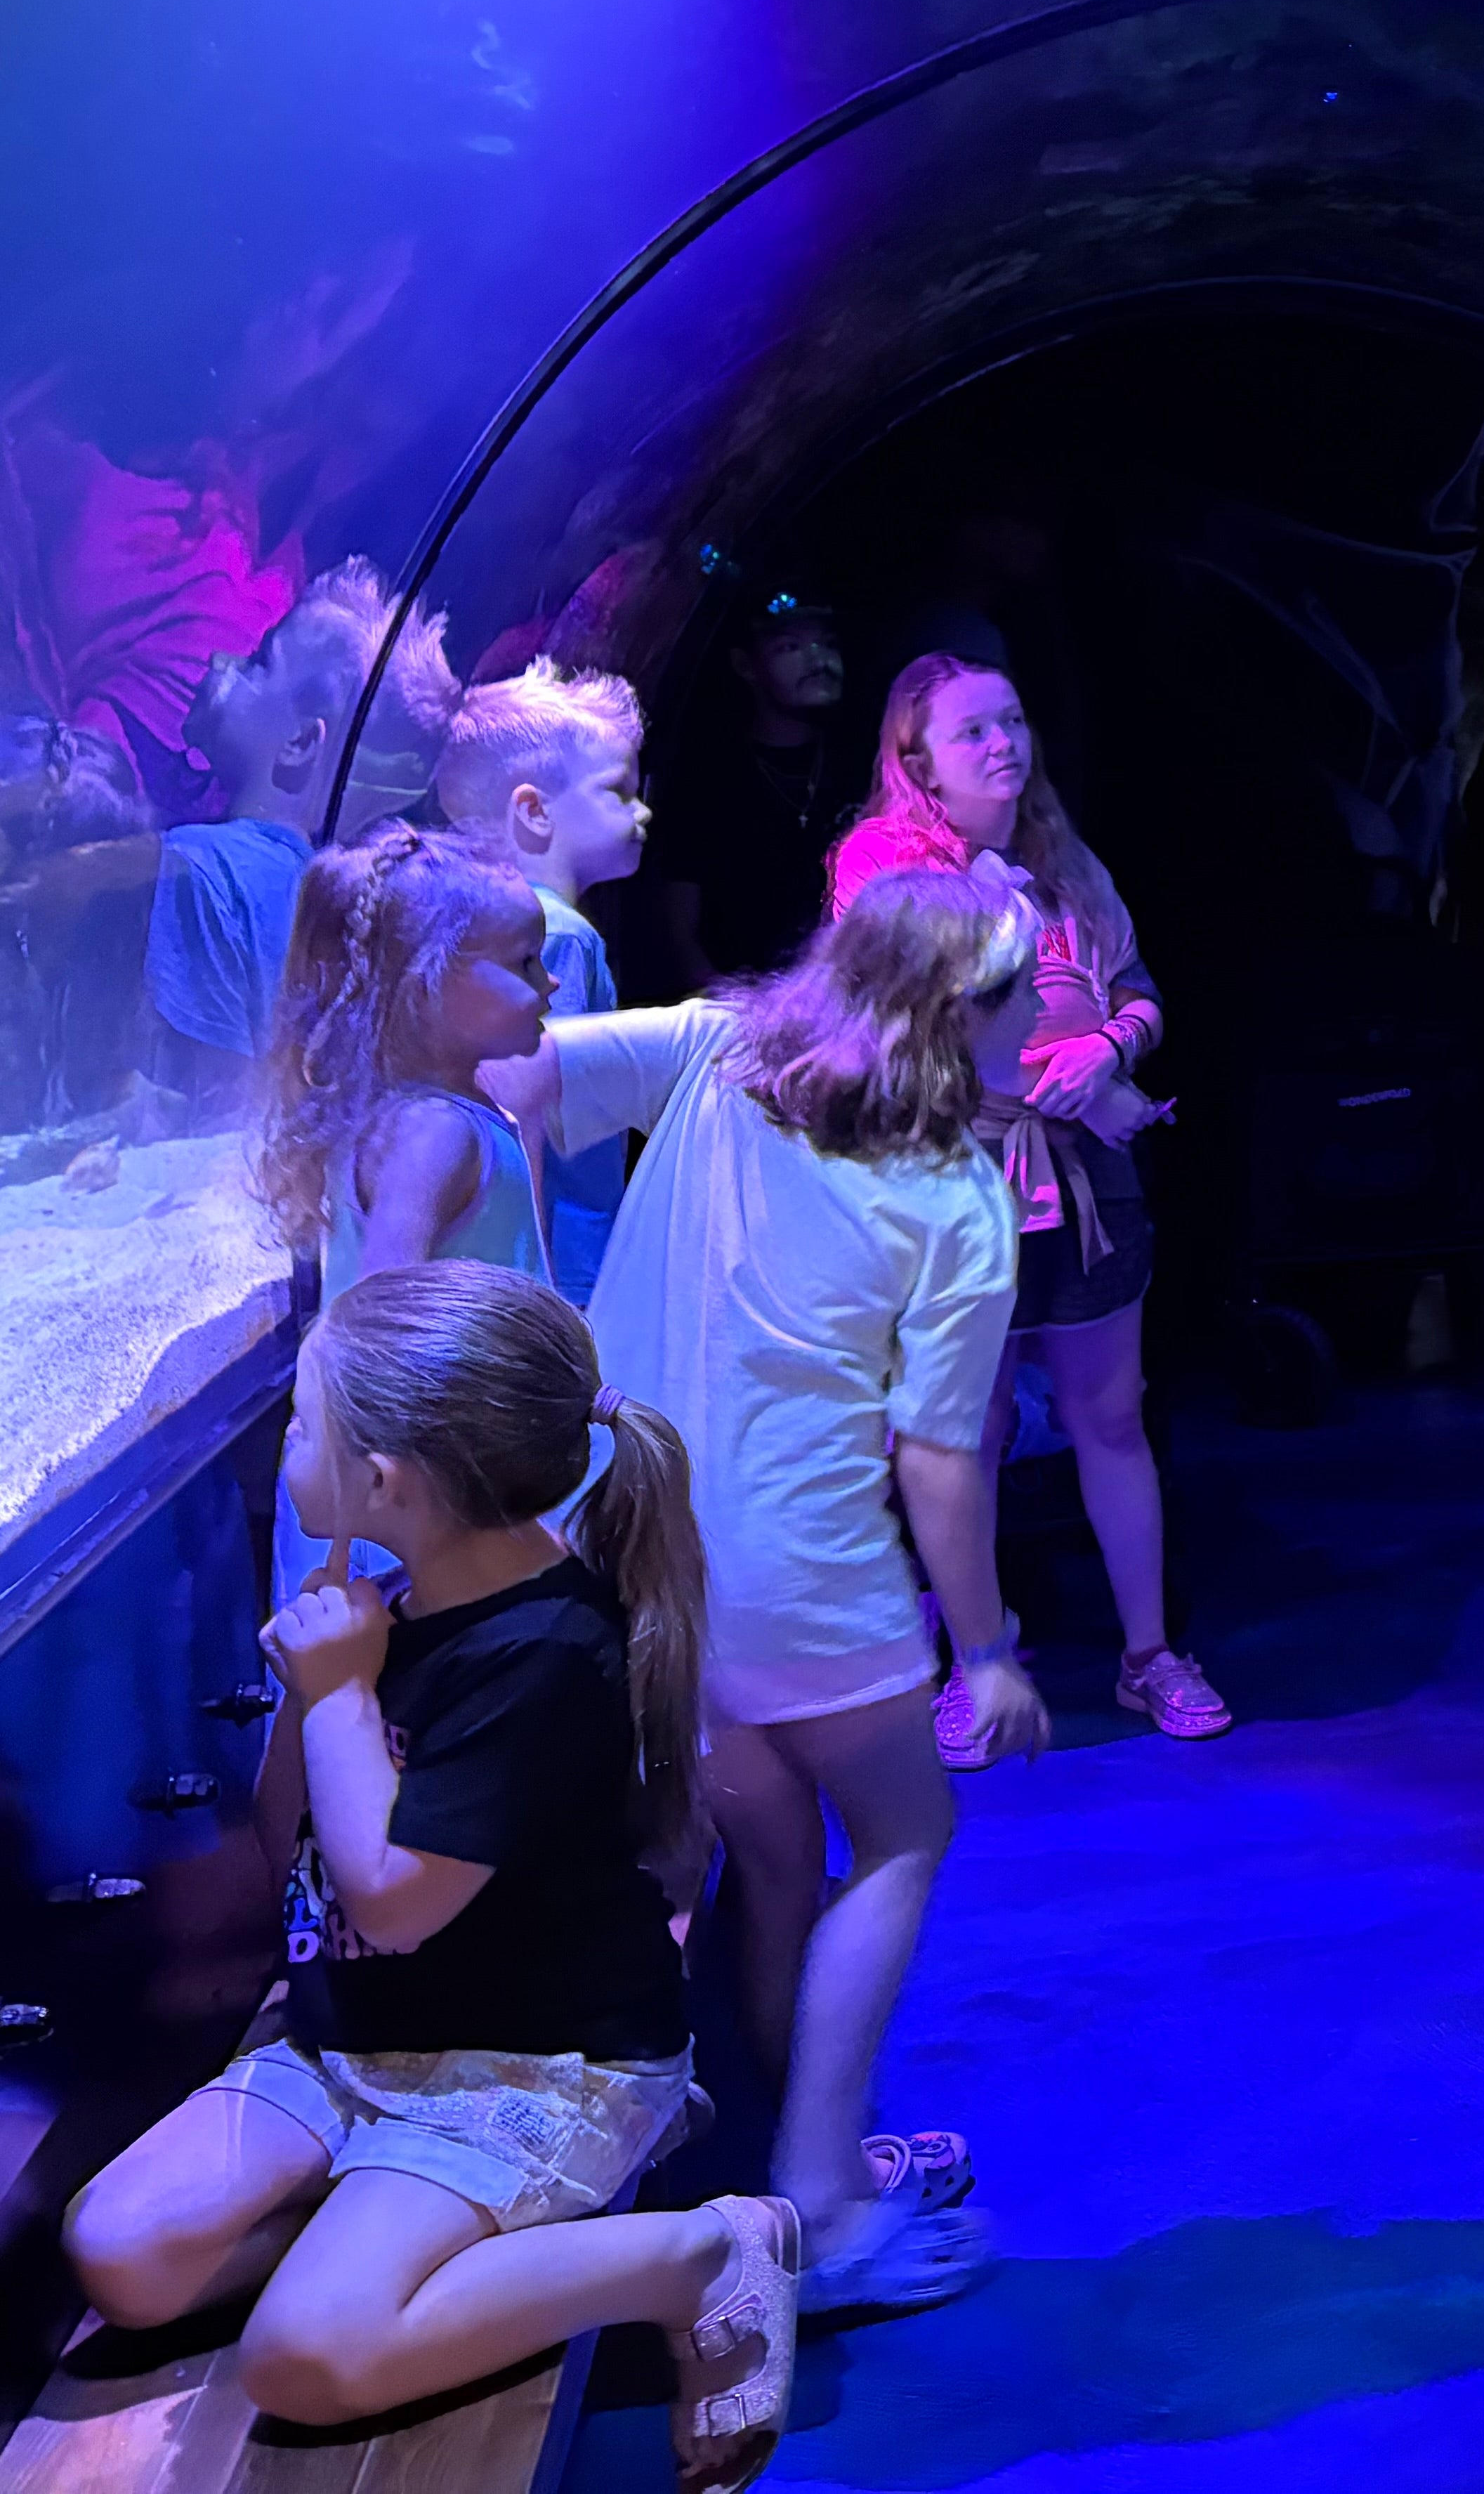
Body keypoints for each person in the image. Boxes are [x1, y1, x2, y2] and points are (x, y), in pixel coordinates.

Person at [60, 1262, 797, 2490]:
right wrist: (314, 1693)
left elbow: (393, 1903)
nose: (284, 1438)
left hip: (529, 2066)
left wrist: (344, 1692)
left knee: (304, 2356)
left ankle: (701, 2254)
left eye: (302, 1420)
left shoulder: (543, 1650)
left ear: (387, 1481)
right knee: (120, 2253)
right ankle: (388, 2242)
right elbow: (283, 1842)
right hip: (350, 2044)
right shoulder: (391, 1601)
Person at [518, 867, 1051, 2317]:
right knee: (901, 1836)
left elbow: (509, 1073)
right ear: (962, 1018)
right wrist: (987, 1651)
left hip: (628, 1550)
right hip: (802, 1581)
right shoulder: (953, 1198)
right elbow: (939, 1465)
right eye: (1024, 997)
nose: (1038, 1022)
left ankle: (780, 2166)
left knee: (767, 1867)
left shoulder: (711, 1050)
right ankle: (824, 2198)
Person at [828, 655, 1225, 1751]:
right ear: (917, 762)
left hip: (1088, 1170)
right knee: (973, 1426)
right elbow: (892, 1026)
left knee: (1110, 1416)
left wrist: (1107, 1044)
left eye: (1012, 720)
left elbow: (1138, 991)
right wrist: (1026, 1087)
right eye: (972, 733)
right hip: (960, 1177)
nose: (1004, 743)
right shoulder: (883, 873)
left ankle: (1150, 1654)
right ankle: (975, 1658)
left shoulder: (1066, 858)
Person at [251, 821, 558, 1607]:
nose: (550, 983)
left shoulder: (426, 1110)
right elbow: (380, 1314)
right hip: (407, 1502)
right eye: (525, 962)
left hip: (409, 1481)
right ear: (428, 982)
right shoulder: (435, 1133)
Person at [144, 561, 450, 1122]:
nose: (221, 661)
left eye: (259, 664)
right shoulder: (348, 897)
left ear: (300, 744)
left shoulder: (202, 868)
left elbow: (198, 1104)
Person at [435, 662, 651, 1305]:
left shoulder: (477, 927)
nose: (643, 809)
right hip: (564, 1265)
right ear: (532, 810)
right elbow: (522, 1107)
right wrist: (534, 1287)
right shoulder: (557, 937)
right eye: (617, 790)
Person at [634, 594, 855, 991]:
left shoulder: (861, 761)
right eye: (790, 646)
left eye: (829, 644)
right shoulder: (708, 777)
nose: (818, 660)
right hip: (741, 1008)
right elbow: (679, 930)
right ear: (745, 665)